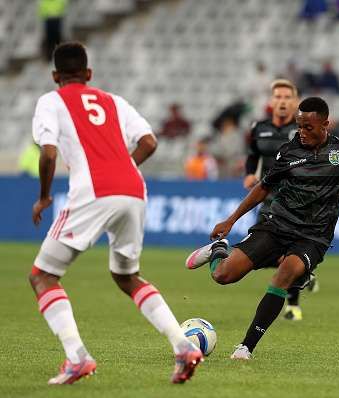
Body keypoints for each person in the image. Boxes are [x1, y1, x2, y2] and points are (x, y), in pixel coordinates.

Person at [185, 97, 339, 359]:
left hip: (313, 236)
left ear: (325, 124)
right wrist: (231, 220)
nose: (303, 132)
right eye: (300, 127)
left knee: (285, 275)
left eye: (309, 127)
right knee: (223, 276)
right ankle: (219, 250)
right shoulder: (289, 151)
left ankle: (245, 347)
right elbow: (264, 187)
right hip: (277, 225)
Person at [29, 42, 202, 385]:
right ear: (89, 74)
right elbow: (150, 141)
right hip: (134, 190)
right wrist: (124, 170)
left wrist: (44, 197)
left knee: (42, 276)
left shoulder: (51, 101)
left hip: (92, 190)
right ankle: (183, 346)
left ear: (54, 76)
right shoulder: (113, 100)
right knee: (127, 276)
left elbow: (48, 154)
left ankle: (77, 357)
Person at [243, 79, 313, 321]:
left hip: (296, 201)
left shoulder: (303, 130)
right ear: (271, 102)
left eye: (287, 97)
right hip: (267, 197)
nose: (282, 102)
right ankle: (304, 272)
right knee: (266, 251)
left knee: (291, 251)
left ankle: (293, 305)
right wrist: (250, 174)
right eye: (278, 97)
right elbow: (253, 155)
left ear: (295, 103)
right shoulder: (258, 128)